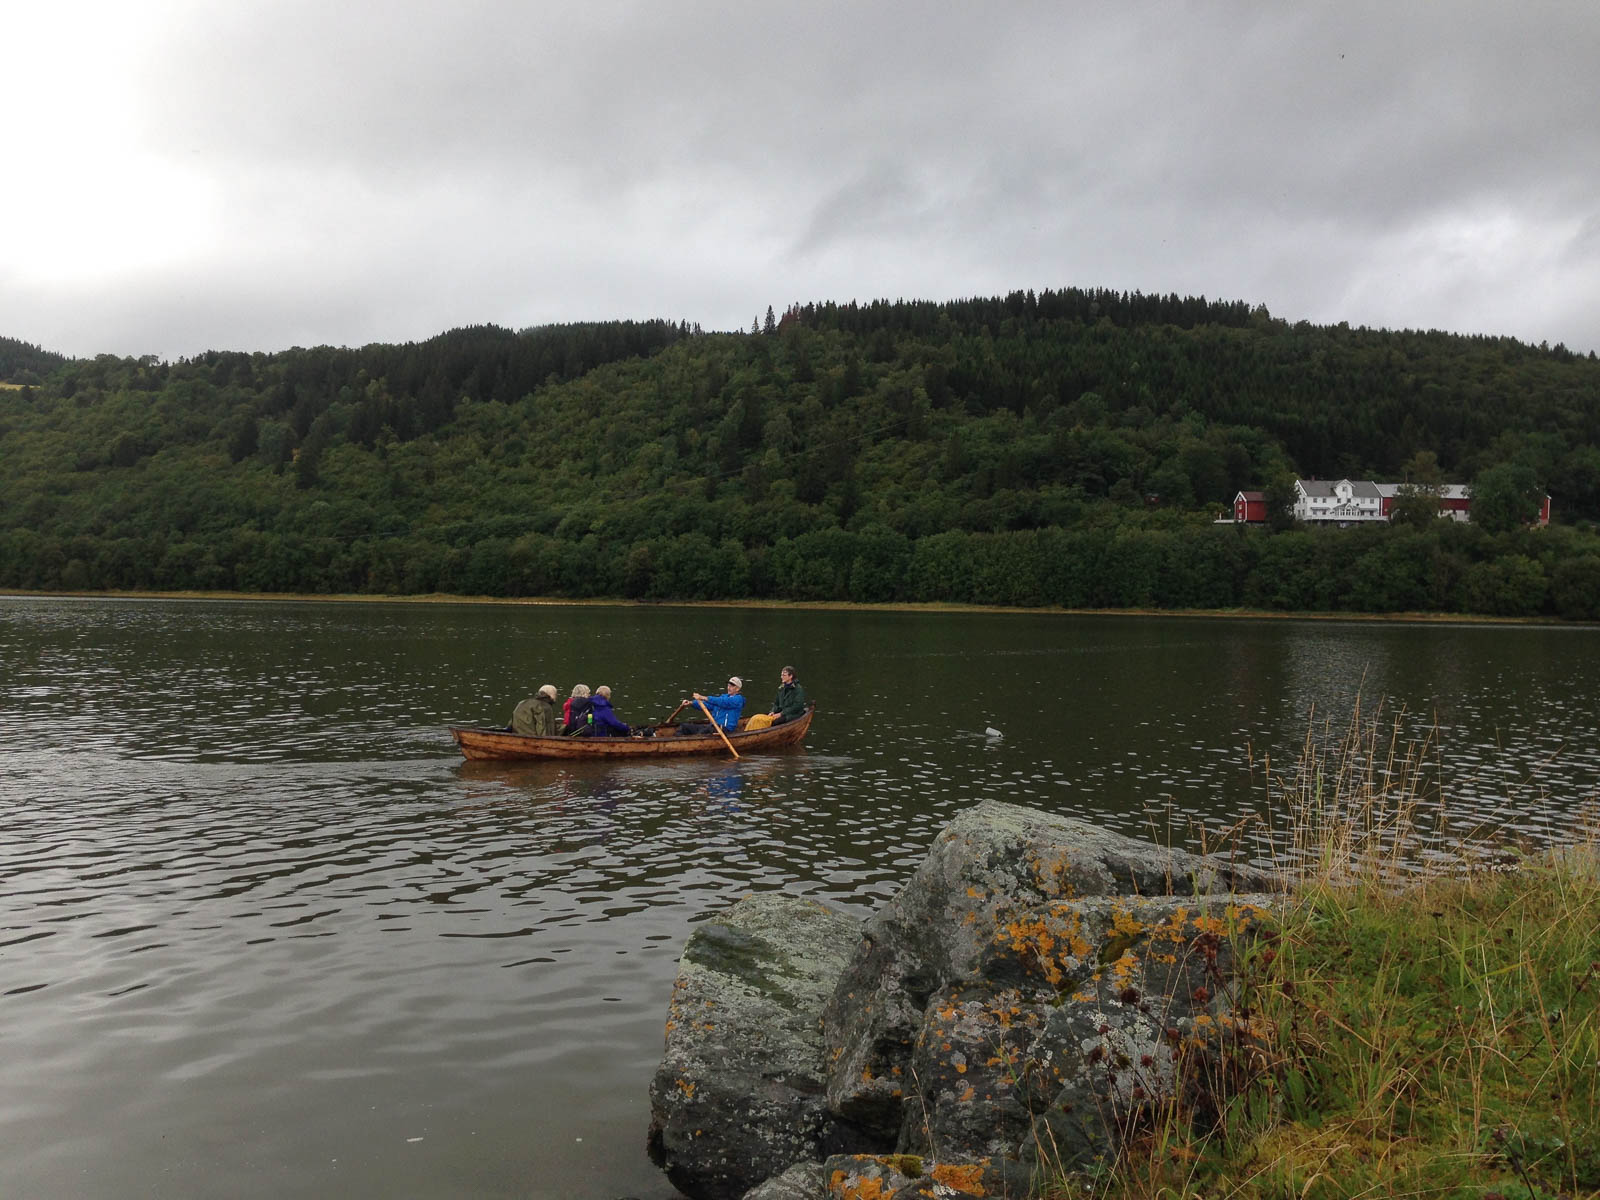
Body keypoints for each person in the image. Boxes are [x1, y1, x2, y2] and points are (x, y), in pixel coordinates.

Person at [676, 675, 745, 736]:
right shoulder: (722, 697)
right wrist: (691, 703)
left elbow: (723, 702)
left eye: (732, 686)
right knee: (684, 727)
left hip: (725, 729)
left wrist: (703, 697)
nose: (729, 687)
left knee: (703, 732)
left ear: (737, 689)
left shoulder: (738, 700)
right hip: (713, 727)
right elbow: (707, 705)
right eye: (728, 685)